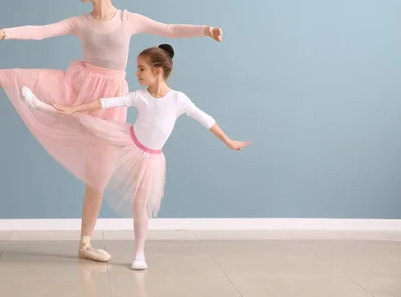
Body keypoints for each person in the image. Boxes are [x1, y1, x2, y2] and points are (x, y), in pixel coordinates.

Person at [0, 0, 223, 263]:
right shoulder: (81, 23)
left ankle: (86, 242)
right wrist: (7, 32)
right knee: (13, 77)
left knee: (98, 173)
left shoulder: (129, 20)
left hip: (110, 99)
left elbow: (168, 29)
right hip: (76, 86)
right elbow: (42, 31)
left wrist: (205, 29)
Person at [20, 43, 251, 270]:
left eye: (141, 68)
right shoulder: (140, 96)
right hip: (127, 139)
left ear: (157, 71)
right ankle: (40, 106)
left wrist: (227, 140)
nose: (136, 73)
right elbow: (106, 102)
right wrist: (73, 108)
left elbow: (205, 119)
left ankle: (139, 253)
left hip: (150, 159)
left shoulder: (178, 99)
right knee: (86, 123)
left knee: (139, 205)